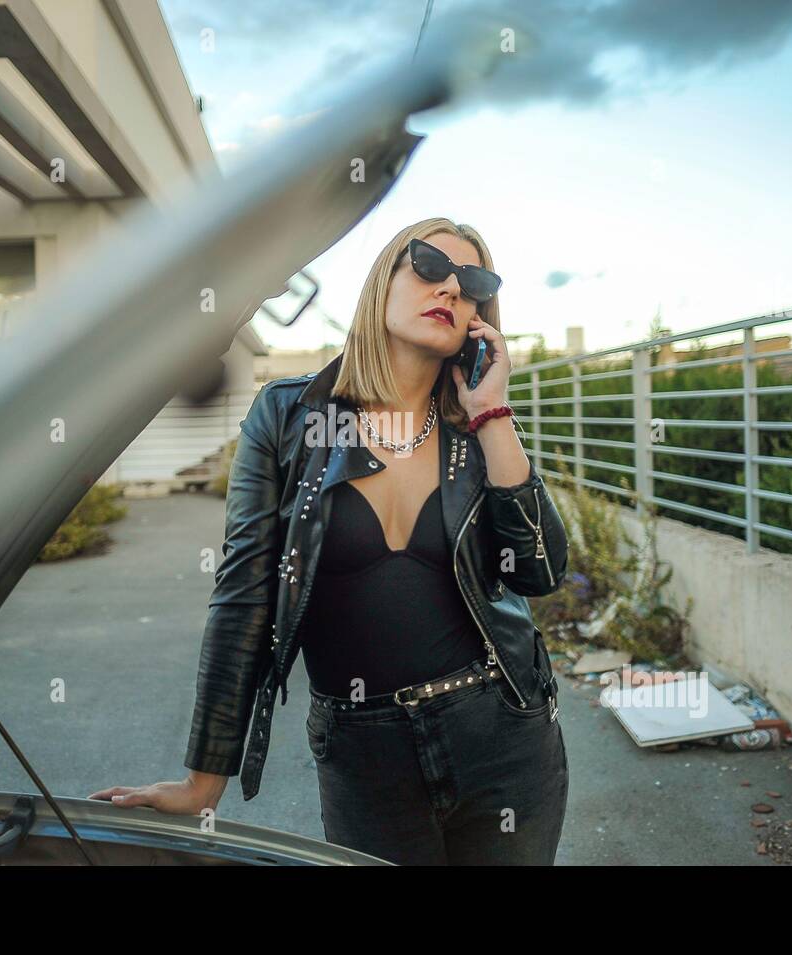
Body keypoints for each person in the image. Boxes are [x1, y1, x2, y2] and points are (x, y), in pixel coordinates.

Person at [91, 218, 571, 865]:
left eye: (473, 284)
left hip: (502, 733)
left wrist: (491, 413)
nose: (451, 290)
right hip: (363, 751)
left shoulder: (477, 432)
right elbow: (241, 597)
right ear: (383, 281)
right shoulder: (289, 416)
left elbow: (541, 571)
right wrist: (203, 782)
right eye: (430, 266)